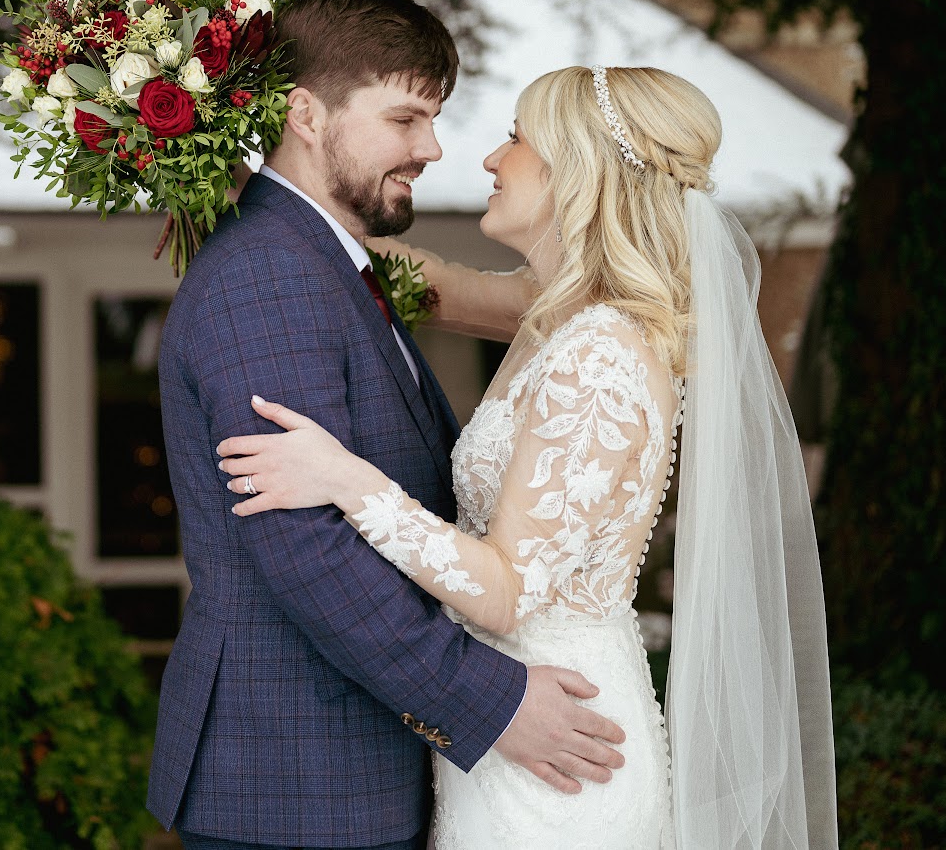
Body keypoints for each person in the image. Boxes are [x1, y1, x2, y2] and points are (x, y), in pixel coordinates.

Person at [217, 65, 839, 848]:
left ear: (575, 169)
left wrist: (345, 479)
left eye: (515, 137)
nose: (488, 158)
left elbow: (508, 590)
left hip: (555, 746)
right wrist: (264, 186)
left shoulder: (600, 355)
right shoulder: (565, 312)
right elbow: (424, 283)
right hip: (517, 728)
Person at [148, 0, 629, 850]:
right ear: (305, 114)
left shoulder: (326, 260)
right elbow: (307, 548)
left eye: (433, 120)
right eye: (406, 119)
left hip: (342, 770)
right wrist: (489, 701)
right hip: (299, 783)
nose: (433, 148)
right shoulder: (269, 274)